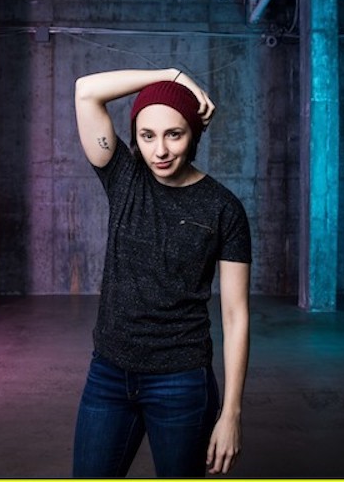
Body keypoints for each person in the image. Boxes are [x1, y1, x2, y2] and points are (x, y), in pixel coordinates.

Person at [72, 67, 251, 478]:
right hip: (109, 375)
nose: (160, 150)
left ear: (194, 135)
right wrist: (171, 75)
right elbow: (86, 92)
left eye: (175, 134)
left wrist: (231, 413)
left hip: (181, 381)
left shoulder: (224, 209)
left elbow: (236, 315)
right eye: (147, 135)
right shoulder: (124, 177)